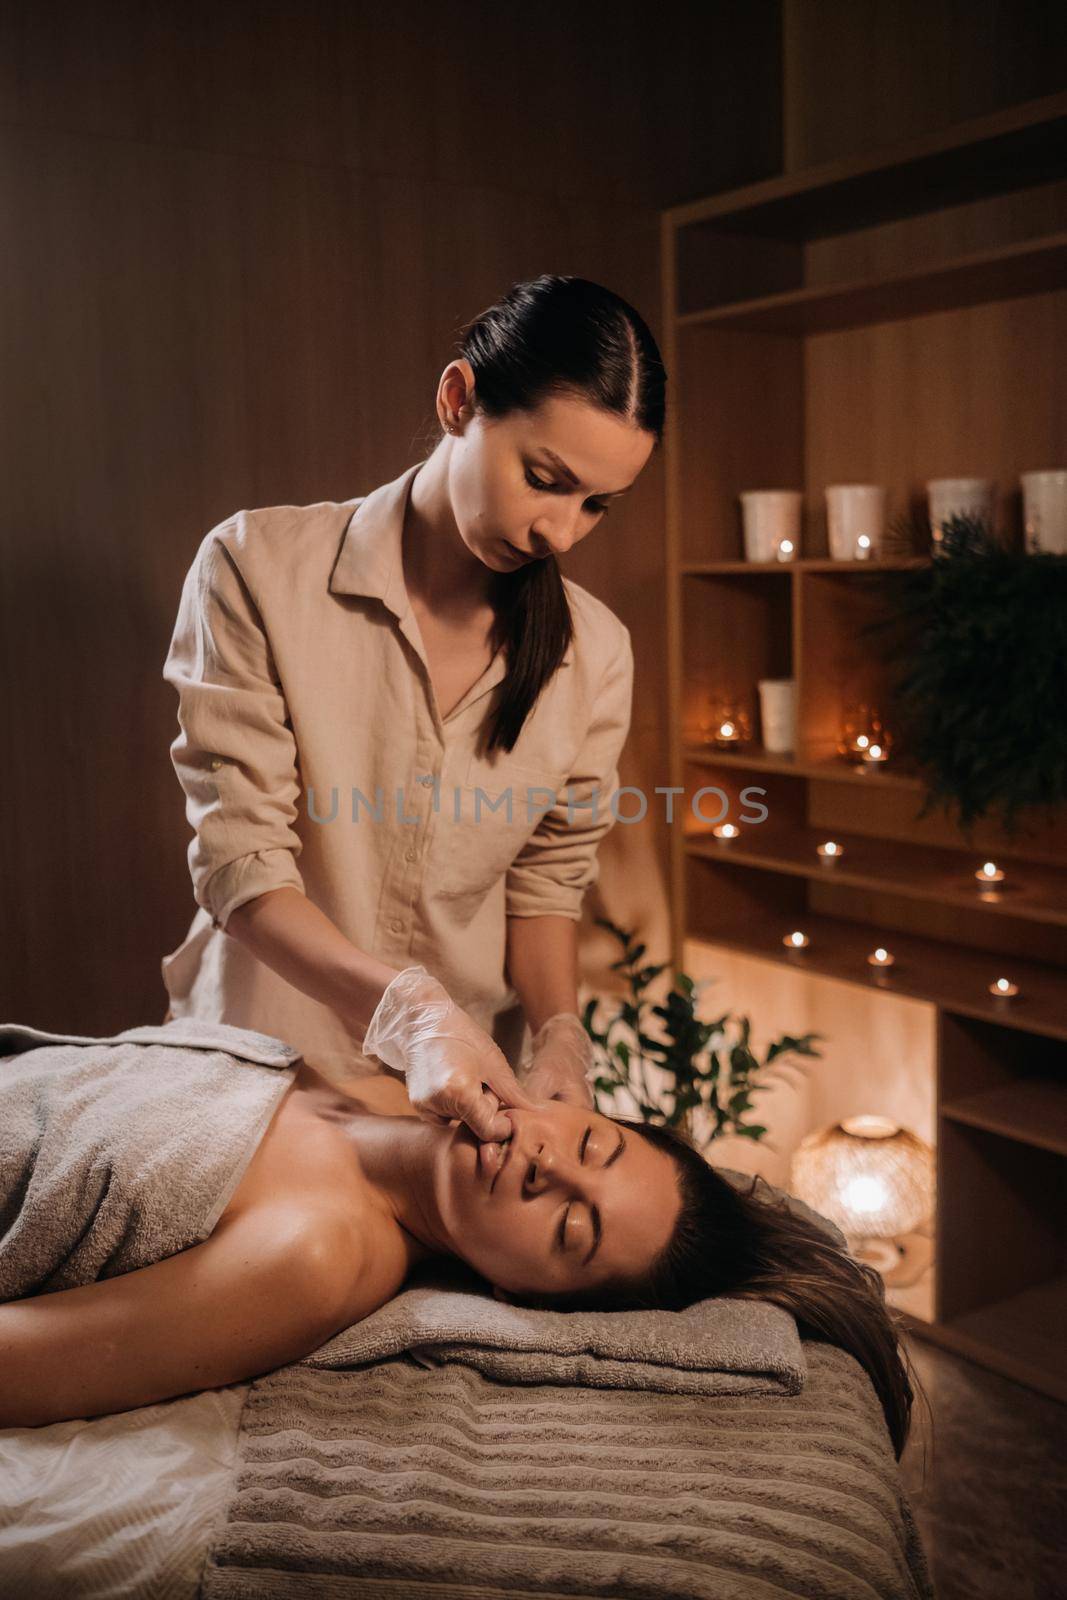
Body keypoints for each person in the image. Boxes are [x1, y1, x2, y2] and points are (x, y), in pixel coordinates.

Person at [159, 273, 662, 1137]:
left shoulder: (596, 651)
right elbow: (242, 868)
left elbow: (543, 883)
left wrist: (556, 1035)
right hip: (262, 1078)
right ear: (458, 399)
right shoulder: (255, 568)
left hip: (470, 1100)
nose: (561, 534)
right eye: (545, 478)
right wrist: (413, 1013)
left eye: (596, 507)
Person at [0, 1036, 919, 1462]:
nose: (548, 1168)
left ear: (520, 1294)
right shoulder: (374, 1082)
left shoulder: (318, 1258)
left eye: (569, 1230)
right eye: (593, 1144)